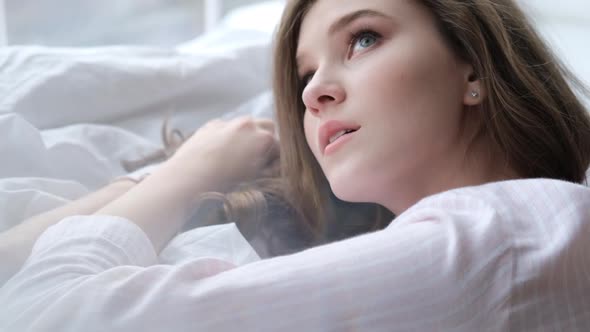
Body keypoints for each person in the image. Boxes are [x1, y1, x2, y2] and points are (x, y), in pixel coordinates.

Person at [2, 0, 590, 331]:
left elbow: (47, 314)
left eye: (363, 39)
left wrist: (186, 173)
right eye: (305, 75)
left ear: (474, 69)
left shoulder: (503, 238)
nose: (314, 94)